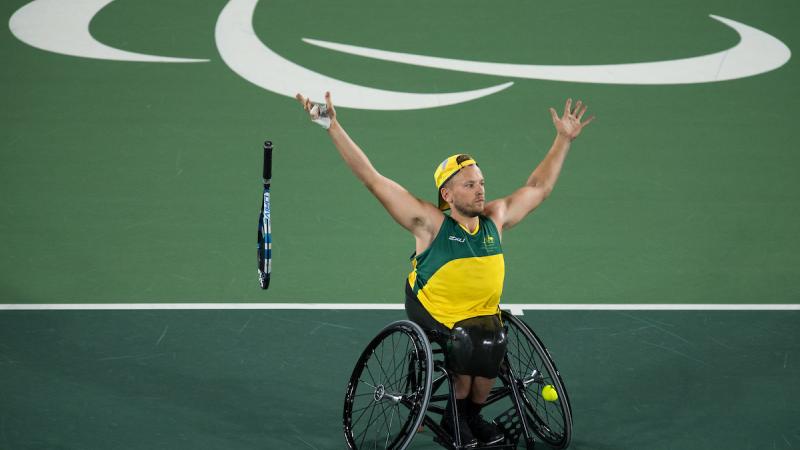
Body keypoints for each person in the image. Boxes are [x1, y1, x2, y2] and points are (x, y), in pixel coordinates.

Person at [296, 92, 594, 447]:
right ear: (447, 195)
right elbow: (373, 179)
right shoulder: (429, 224)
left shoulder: (495, 220)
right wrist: (332, 126)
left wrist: (563, 140)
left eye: (481, 182)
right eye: (469, 185)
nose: (480, 190)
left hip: (482, 315)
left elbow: (538, 188)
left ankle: (469, 417)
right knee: (471, 345)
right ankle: (453, 419)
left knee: (492, 341)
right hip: (435, 311)